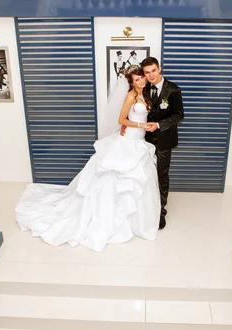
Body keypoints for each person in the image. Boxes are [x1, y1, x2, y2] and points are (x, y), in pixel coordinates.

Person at [15, 66, 160, 252]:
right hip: (129, 140)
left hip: (139, 142)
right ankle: (112, 219)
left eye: (142, 78)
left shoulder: (146, 94)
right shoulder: (131, 96)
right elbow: (122, 120)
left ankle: (137, 221)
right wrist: (141, 124)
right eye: (137, 79)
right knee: (116, 179)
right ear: (131, 82)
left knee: (139, 179)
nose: (141, 81)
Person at [125, 56, 184, 230]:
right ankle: (143, 208)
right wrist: (126, 125)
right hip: (144, 140)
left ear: (159, 69)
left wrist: (159, 125)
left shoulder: (173, 90)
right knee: (145, 175)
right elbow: (136, 109)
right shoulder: (143, 87)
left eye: (153, 71)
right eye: (146, 72)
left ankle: (161, 212)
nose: (150, 76)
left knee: (161, 175)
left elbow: (179, 115)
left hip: (164, 140)